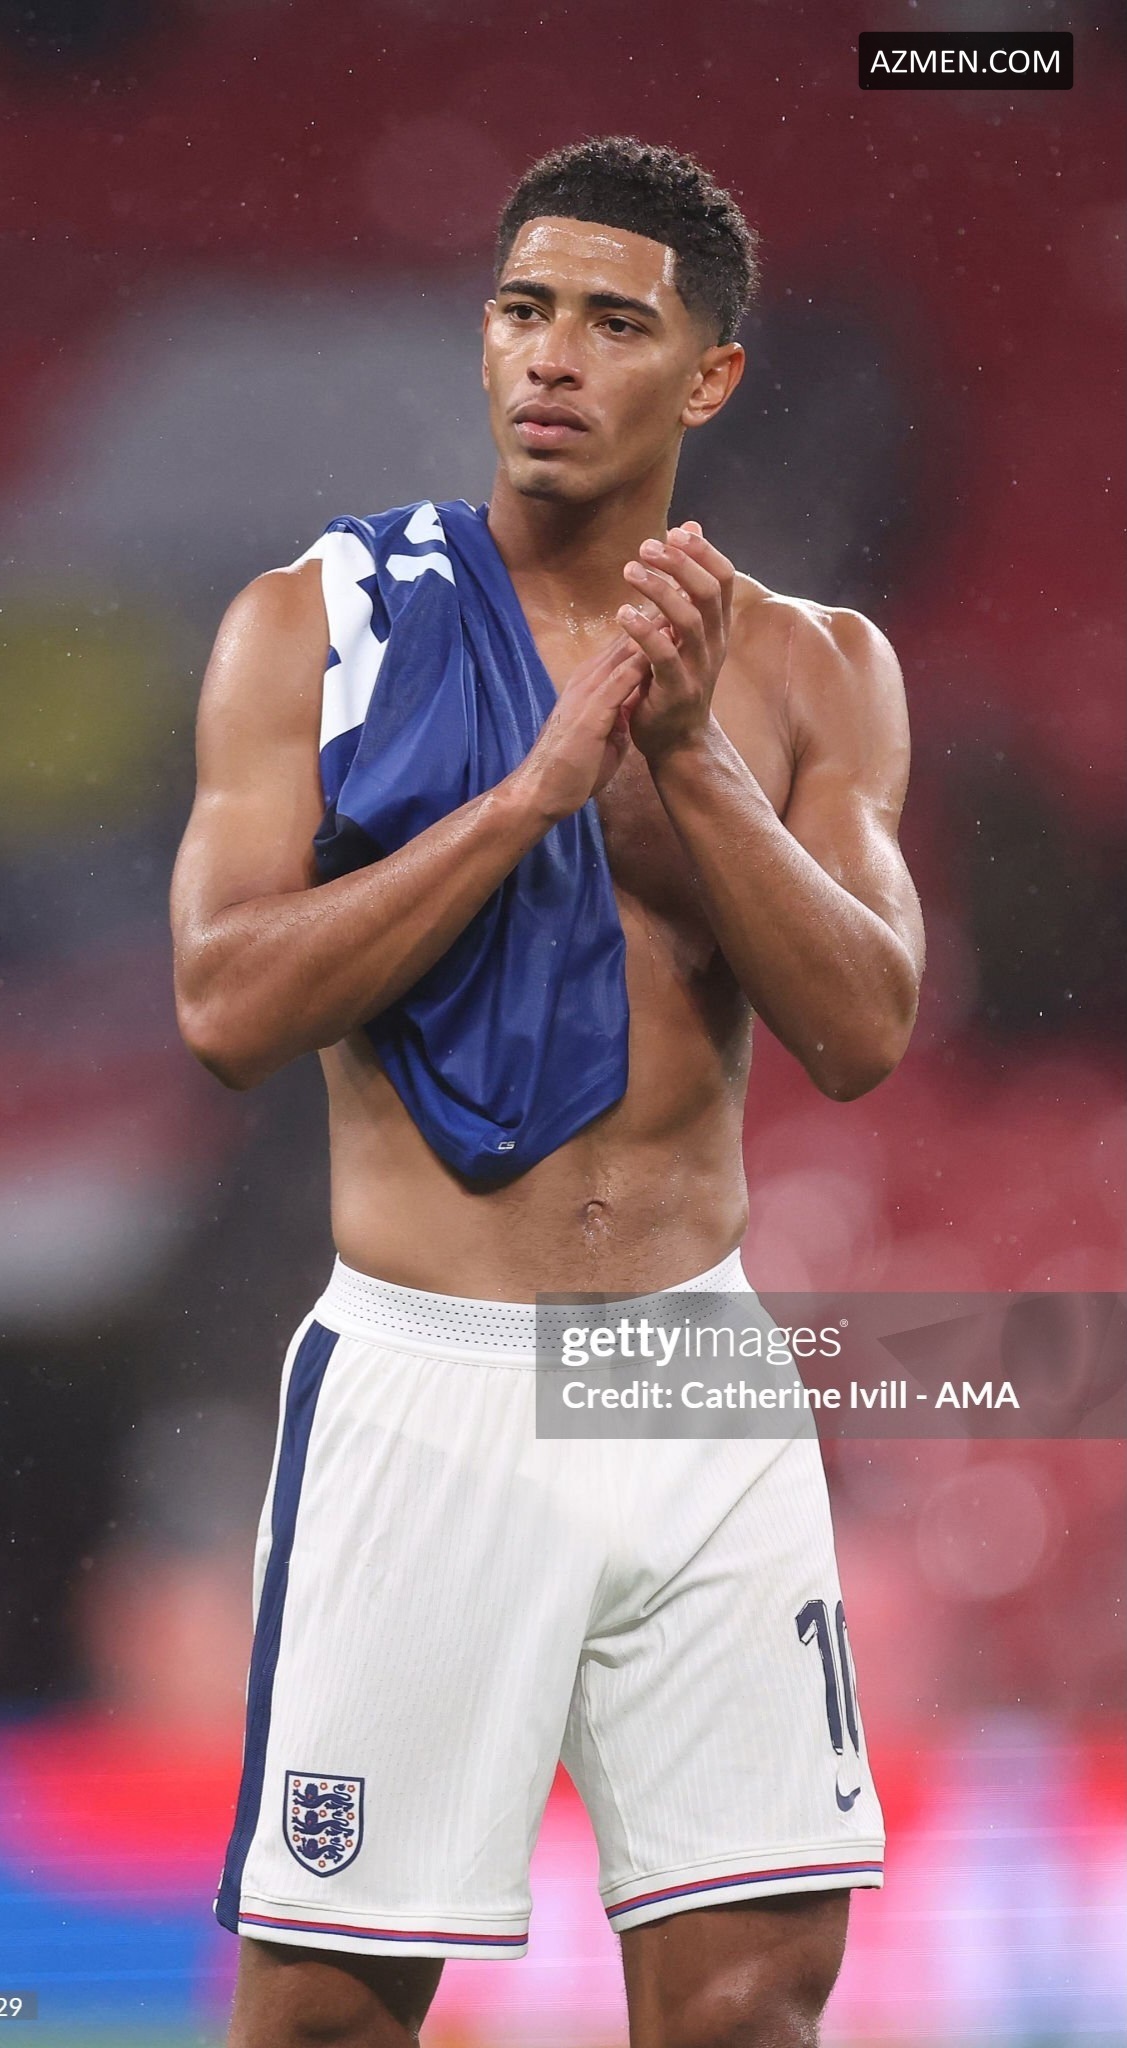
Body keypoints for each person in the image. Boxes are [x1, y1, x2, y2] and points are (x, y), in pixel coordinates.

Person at [171, 135, 925, 2048]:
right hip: (432, 1376)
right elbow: (225, 1006)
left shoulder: (815, 667)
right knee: (333, 2012)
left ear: (713, 374)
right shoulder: (318, 624)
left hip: (688, 1368)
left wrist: (691, 760)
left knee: (753, 2000)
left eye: (613, 320)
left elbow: (864, 1028)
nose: (553, 356)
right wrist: (525, 801)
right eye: (522, 309)